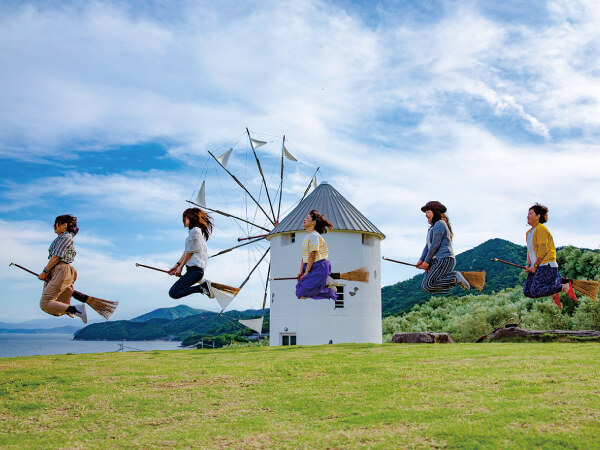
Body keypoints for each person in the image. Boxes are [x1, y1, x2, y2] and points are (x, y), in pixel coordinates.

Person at [523, 203, 576, 306]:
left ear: (538, 216)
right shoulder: (528, 233)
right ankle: (552, 290)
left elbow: (543, 250)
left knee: (535, 290)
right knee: (527, 291)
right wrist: (528, 265)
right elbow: (529, 250)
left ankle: (564, 286)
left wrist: (535, 266)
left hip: (547, 265)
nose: (527, 216)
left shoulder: (541, 229)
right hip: (537, 266)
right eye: (528, 214)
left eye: (530, 214)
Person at [39, 215, 87, 323]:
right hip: (58, 271)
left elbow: (56, 257)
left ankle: (75, 309)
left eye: (56, 224)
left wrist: (45, 271)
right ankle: (69, 308)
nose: (54, 226)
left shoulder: (65, 237)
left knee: (45, 304)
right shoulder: (62, 238)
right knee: (54, 309)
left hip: (61, 270)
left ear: (64, 225)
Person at [416, 201, 470, 294]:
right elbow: (427, 246)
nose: (426, 215)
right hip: (435, 260)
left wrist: (426, 261)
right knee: (425, 287)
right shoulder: (432, 228)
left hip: (444, 259)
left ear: (435, 212)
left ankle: (454, 278)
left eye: (428, 212)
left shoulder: (440, 224)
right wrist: (421, 260)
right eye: (426, 212)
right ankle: (451, 280)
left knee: (429, 284)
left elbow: (435, 245)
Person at [168, 207, 215, 300]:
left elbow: (190, 252)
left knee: (174, 293)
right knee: (173, 293)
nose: (183, 220)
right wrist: (177, 265)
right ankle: (202, 287)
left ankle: (202, 287)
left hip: (195, 271)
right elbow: (187, 252)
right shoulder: (193, 232)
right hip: (193, 271)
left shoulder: (195, 231)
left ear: (191, 217)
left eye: (185, 217)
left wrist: (180, 267)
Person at [295, 209, 337, 300]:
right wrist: (301, 272)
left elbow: (313, 254)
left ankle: (328, 289)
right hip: (309, 265)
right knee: (299, 291)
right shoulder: (307, 236)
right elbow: (305, 257)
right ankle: (323, 284)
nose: (304, 219)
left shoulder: (314, 235)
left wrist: (306, 272)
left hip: (318, 266)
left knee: (303, 292)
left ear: (313, 222)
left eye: (307, 218)